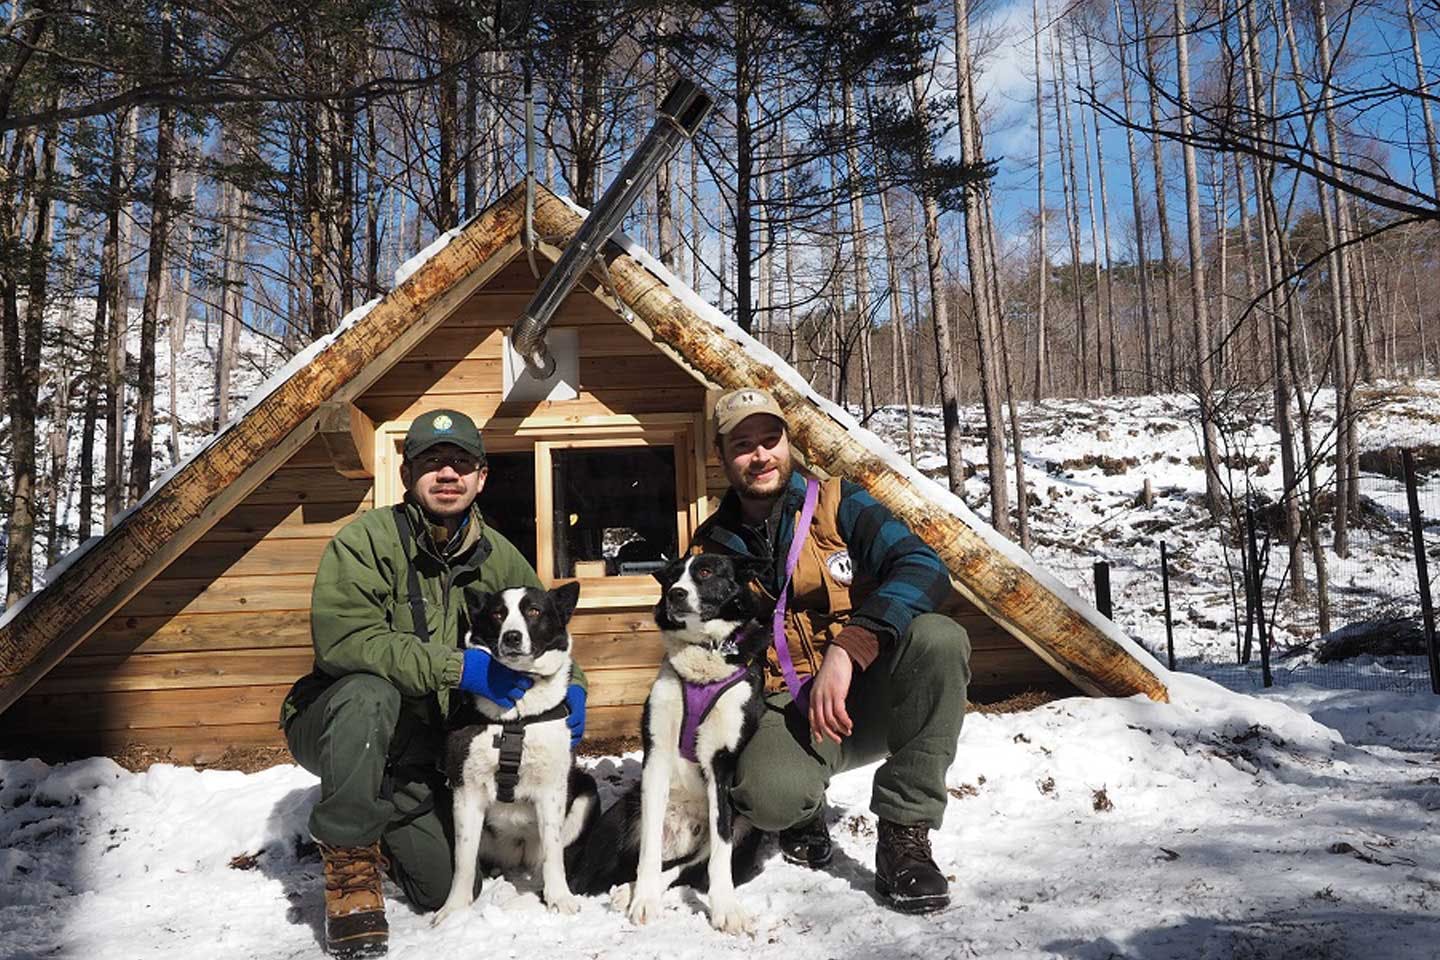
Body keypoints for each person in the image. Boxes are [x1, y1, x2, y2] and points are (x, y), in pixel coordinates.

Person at [279, 409, 587, 957]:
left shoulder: (498, 555)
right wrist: (456, 667)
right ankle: (349, 866)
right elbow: (345, 642)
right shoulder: (365, 542)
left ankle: (389, 819)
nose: (448, 474)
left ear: (481, 477)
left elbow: (545, 626)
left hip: (421, 749)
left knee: (439, 885)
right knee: (367, 690)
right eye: (432, 462)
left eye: (461, 463)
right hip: (339, 721)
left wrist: (575, 686)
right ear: (406, 472)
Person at [690, 388, 971, 915]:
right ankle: (803, 808)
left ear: (788, 443)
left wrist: (851, 646)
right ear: (723, 457)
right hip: (786, 705)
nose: (760, 456)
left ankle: (903, 835)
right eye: (742, 445)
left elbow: (926, 567)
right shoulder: (709, 547)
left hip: (865, 694)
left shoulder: (840, 502)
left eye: (770, 440)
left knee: (939, 637)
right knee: (770, 799)